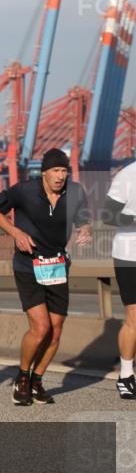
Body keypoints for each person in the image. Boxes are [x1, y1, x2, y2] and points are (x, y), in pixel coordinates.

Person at [0, 148, 92, 406]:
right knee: (41, 327)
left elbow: (83, 218)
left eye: (64, 171)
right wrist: (16, 233)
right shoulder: (24, 190)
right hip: (28, 265)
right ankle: (22, 378)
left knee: (55, 332)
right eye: (55, 171)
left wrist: (86, 229)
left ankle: (37, 380)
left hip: (57, 265)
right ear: (44, 173)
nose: (60, 176)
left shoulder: (76, 192)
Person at [102, 160, 135, 400]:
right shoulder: (128, 175)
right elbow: (108, 214)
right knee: (134, 317)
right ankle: (125, 376)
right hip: (129, 256)